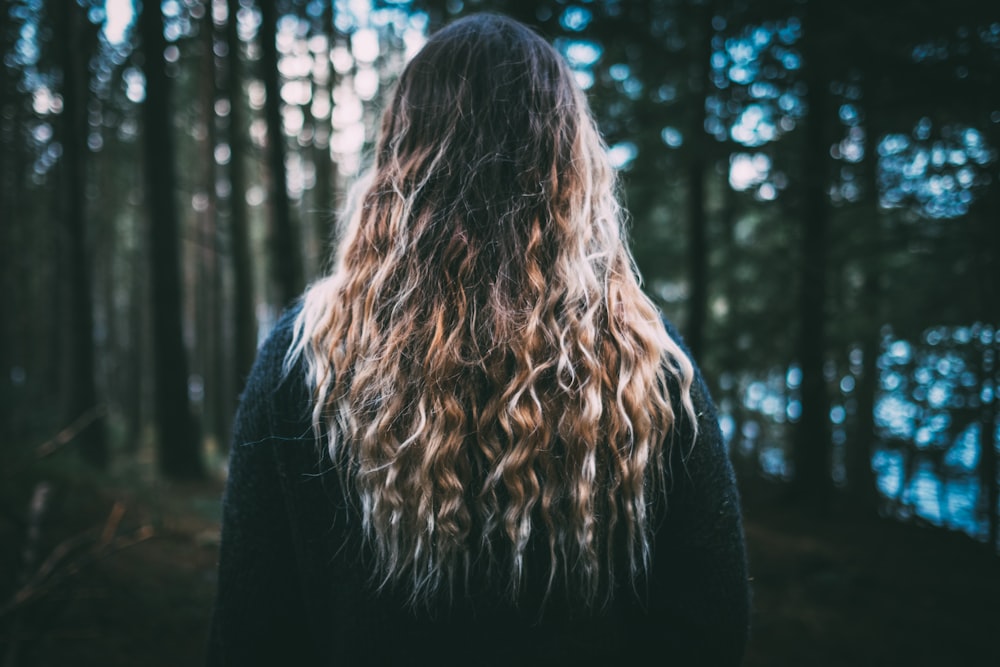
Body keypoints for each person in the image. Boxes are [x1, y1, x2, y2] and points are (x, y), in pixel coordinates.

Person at [207, 13, 749, 666]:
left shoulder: (304, 362)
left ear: (401, 153)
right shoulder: (649, 371)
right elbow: (709, 629)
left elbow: (251, 630)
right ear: (569, 162)